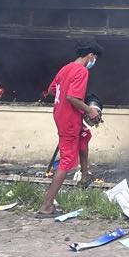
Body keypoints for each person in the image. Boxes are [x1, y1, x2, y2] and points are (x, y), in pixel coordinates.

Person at [37, 41, 103, 216]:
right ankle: (47, 206)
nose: (94, 61)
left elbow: (52, 90)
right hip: (69, 120)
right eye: (95, 57)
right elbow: (72, 97)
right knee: (66, 161)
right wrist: (90, 110)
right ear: (90, 55)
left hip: (61, 115)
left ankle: (84, 175)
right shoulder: (81, 71)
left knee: (84, 136)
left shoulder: (65, 68)